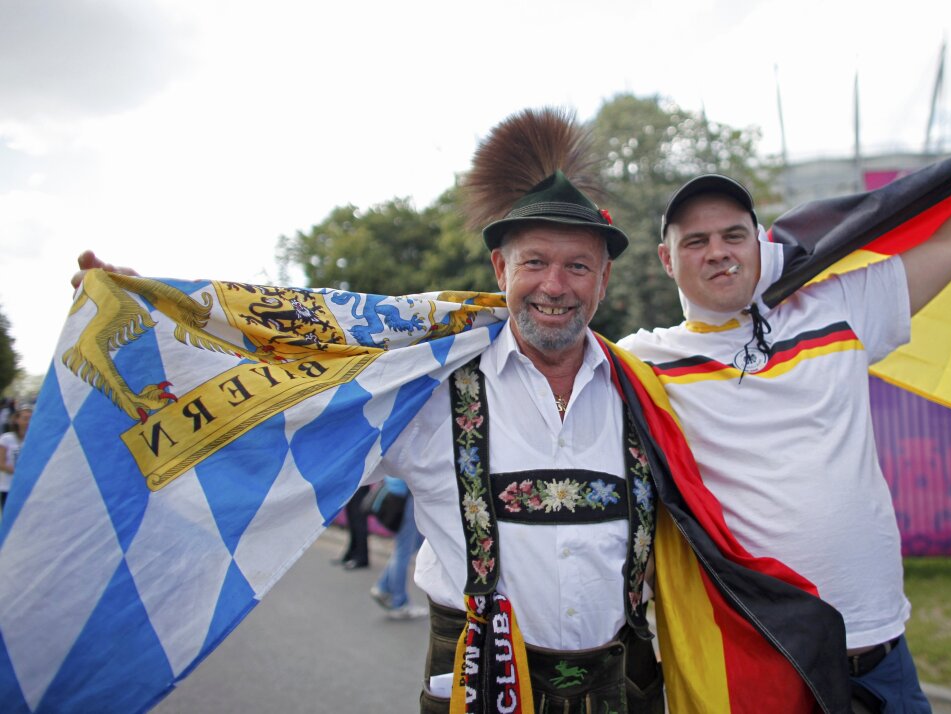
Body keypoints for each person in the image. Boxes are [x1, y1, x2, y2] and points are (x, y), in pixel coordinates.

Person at [74, 108, 664, 714]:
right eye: (534, 262)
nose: (555, 286)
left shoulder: (647, 391)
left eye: (578, 266)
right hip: (477, 693)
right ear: (500, 269)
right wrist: (150, 329)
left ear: (605, 278)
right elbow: (264, 413)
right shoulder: (428, 389)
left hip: (627, 693)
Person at [618, 103, 951, 713]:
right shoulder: (643, 362)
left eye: (732, 235)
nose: (718, 252)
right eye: (695, 242)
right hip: (765, 661)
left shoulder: (839, 310)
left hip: (880, 656)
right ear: (668, 261)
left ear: (759, 241)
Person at [369, 476, 428, 619]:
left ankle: (383, 586)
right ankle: (399, 602)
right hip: (406, 496)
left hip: (397, 492)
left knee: (413, 545)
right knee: (403, 551)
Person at [0, 404, 33, 514]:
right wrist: (20, 473)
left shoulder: (33, 440)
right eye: (25, 419)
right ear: (17, 420)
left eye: (31, 419)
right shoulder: (6, 439)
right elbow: (1, 463)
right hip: (9, 487)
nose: (28, 422)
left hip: (28, 488)